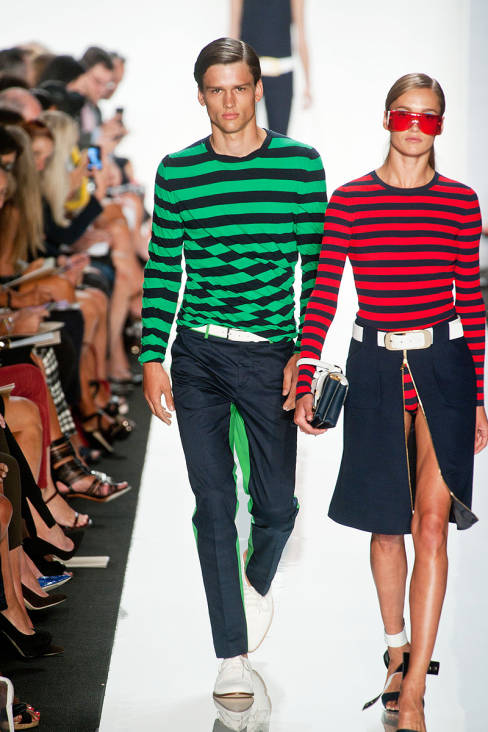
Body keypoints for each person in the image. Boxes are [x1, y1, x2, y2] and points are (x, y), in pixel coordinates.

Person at [295, 73, 488, 732]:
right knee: (387, 525)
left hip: (444, 369)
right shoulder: (350, 201)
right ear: (386, 119)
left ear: (440, 126)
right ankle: (396, 650)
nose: (414, 127)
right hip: (375, 367)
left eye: (428, 118)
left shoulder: (460, 202)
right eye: (404, 115)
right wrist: (305, 376)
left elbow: (472, 303)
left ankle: (414, 695)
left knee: (432, 525)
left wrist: (479, 397)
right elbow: (323, 294)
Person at [141, 37, 326, 703]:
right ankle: (231, 653)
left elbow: (318, 271)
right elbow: (164, 266)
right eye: (216, 89)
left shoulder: (300, 165)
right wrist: (151, 355)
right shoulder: (177, 171)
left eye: (239, 87)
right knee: (214, 502)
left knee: (276, 509)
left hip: (271, 353)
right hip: (197, 353)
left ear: (257, 89)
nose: (228, 101)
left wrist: (305, 355)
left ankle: (250, 585)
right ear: (201, 95)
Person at [230, 0, 312, 134]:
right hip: (247, 73)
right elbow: (234, 33)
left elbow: (300, 35)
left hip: (281, 74)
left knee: (278, 139)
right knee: (243, 135)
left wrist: (307, 83)